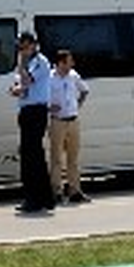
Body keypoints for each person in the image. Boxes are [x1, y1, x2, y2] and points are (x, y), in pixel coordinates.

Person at [10, 31, 55, 214]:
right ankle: (43, 197)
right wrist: (16, 89)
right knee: (30, 154)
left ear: (34, 45)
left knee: (32, 155)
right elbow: (21, 85)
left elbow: (28, 80)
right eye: (20, 47)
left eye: (25, 47)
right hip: (26, 110)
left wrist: (21, 64)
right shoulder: (26, 63)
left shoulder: (40, 62)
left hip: (36, 110)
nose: (23, 51)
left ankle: (35, 199)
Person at [48, 47, 90, 203]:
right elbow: (43, 97)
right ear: (61, 63)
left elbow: (84, 90)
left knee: (73, 158)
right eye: (69, 61)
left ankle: (75, 190)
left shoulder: (73, 76)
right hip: (57, 121)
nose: (72, 64)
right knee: (56, 158)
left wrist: (77, 105)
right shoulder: (50, 78)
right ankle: (56, 191)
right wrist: (49, 107)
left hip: (73, 120)